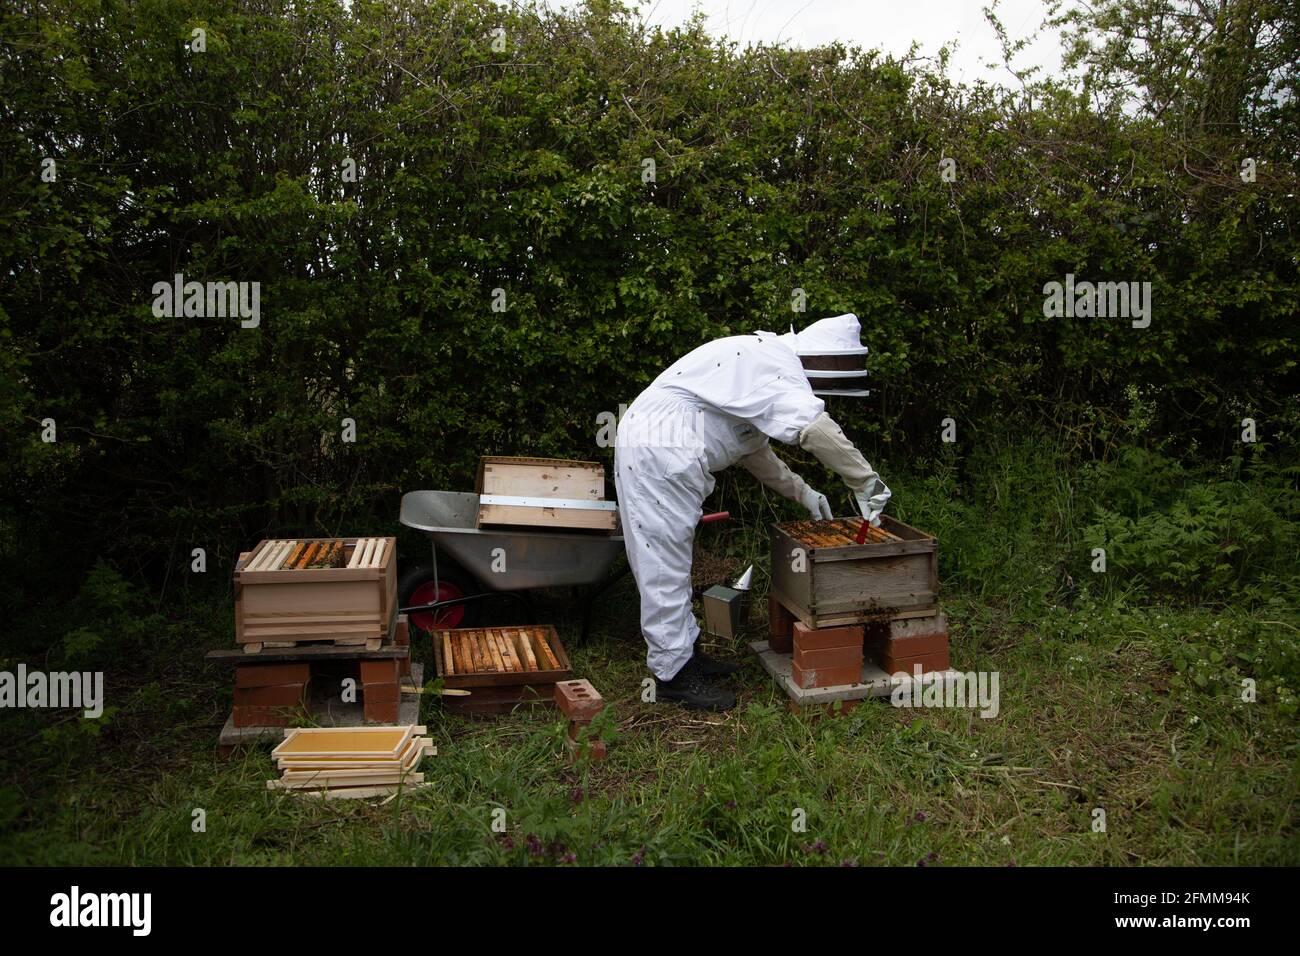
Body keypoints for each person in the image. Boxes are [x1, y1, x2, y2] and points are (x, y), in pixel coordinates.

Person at [614, 313, 891, 711]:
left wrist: (803, 492)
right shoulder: (773, 363)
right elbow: (814, 430)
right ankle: (672, 676)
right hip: (658, 453)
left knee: (673, 560)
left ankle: (685, 655)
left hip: (662, 452)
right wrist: (866, 480)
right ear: (822, 361)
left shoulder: (758, 368)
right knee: (663, 565)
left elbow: (754, 451)